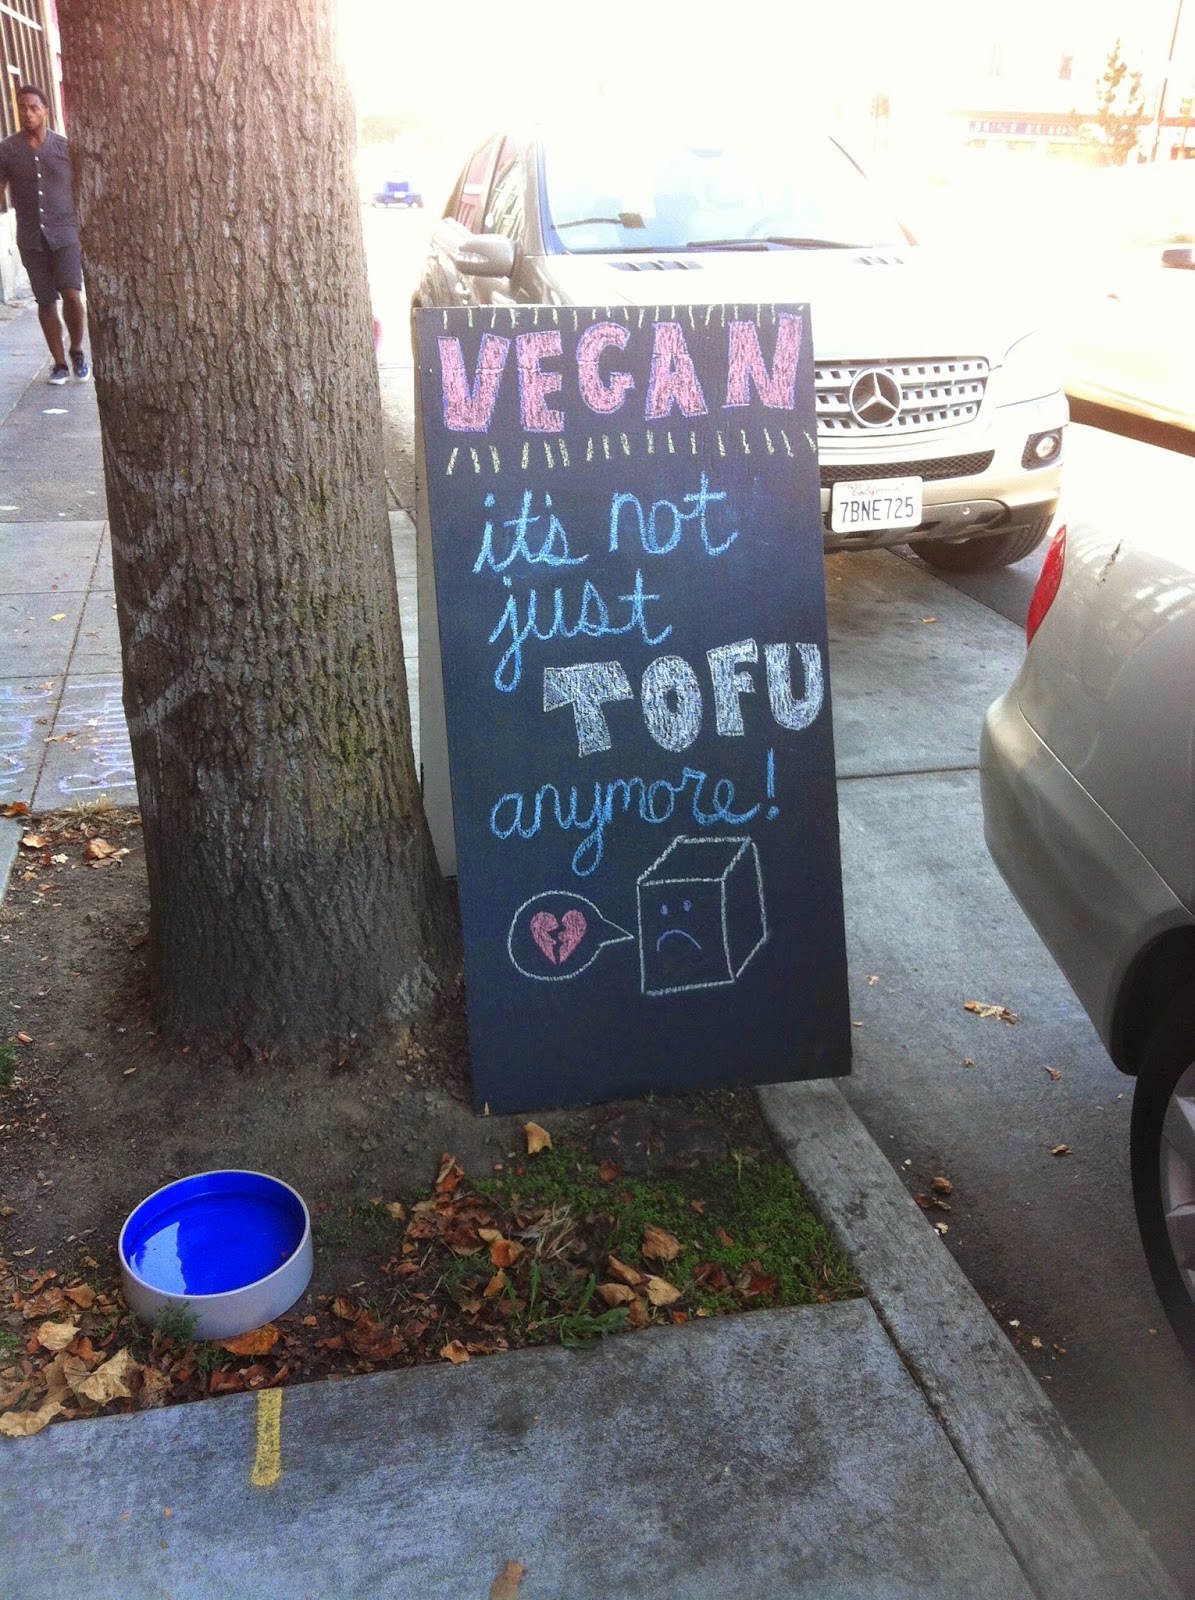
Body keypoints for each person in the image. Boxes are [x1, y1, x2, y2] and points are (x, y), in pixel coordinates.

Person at [0, 84, 89, 385]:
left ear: (46, 111)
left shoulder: (64, 148)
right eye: (22, 108)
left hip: (65, 234)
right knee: (46, 301)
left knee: (72, 295)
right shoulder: (7, 151)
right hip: (31, 238)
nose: (27, 113)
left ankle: (77, 350)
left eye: (33, 108)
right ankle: (60, 363)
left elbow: (82, 187)